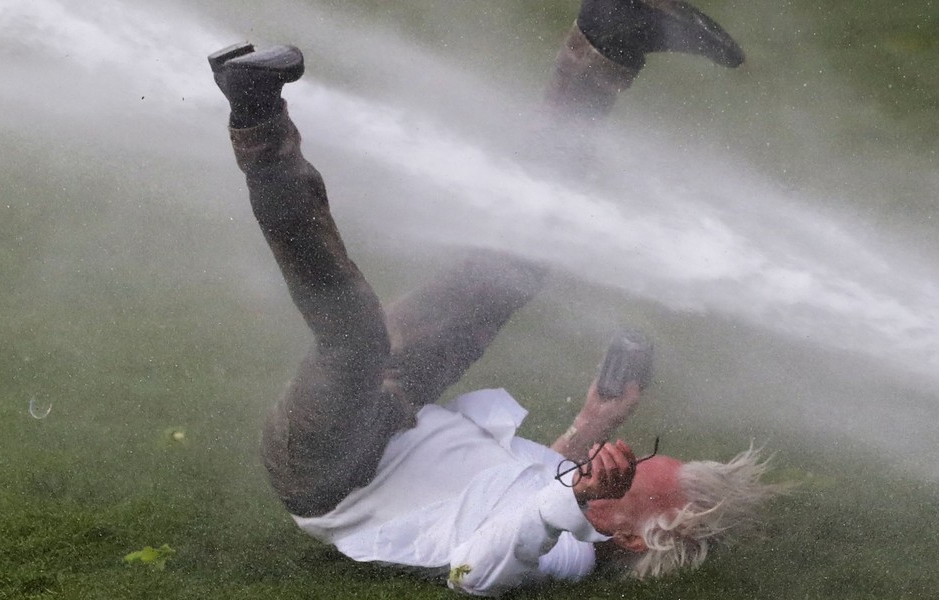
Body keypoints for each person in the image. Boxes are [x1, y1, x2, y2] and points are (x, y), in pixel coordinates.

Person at [209, 0, 779, 595]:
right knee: (517, 261)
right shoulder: (567, 495)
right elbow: (521, 487)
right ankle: (609, 40)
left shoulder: (566, 554)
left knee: (353, 338)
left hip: (330, 471)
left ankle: (256, 113)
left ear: (636, 534)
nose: (620, 456)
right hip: (400, 405)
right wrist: (594, 421)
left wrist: (575, 495)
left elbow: (473, 570)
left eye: (632, 473)